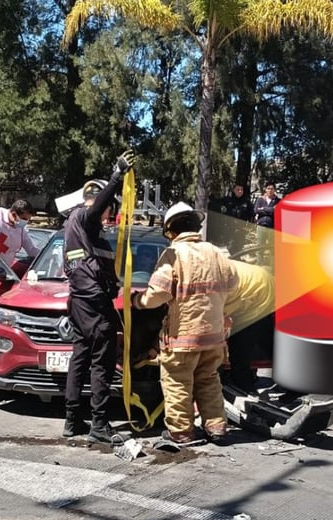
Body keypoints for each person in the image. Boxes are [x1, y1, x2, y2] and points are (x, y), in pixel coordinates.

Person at [133, 202, 239, 446]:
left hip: (182, 337)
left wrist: (137, 301)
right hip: (213, 335)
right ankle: (217, 427)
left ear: (171, 230)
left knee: (177, 381)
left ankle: (180, 432)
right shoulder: (216, 253)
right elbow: (233, 285)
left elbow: (157, 295)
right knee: (209, 379)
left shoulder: (173, 254)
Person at [61, 151, 136, 441]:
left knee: (79, 357)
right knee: (102, 361)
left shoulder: (76, 227)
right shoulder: (86, 217)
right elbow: (96, 209)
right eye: (110, 208)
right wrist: (117, 176)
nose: (110, 215)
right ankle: (100, 424)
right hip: (93, 301)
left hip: (79, 300)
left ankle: (72, 421)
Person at [223, 259, 275, 391]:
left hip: (257, 291)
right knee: (265, 338)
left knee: (240, 342)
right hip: (259, 281)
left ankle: (242, 383)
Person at [0, 199, 39, 267]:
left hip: (4, 271)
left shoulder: (22, 231)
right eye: (24, 219)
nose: (26, 222)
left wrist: (47, 255)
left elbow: (31, 249)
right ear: (13, 214)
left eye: (28, 220)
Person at [220, 183, 254, 253]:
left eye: (241, 190)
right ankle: (232, 256)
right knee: (230, 244)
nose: (240, 191)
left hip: (241, 226)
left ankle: (238, 257)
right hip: (230, 226)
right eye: (238, 190)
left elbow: (251, 213)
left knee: (240, 243)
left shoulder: (246, 201)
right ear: (234, 190)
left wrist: (249, 224)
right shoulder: (228, 200)